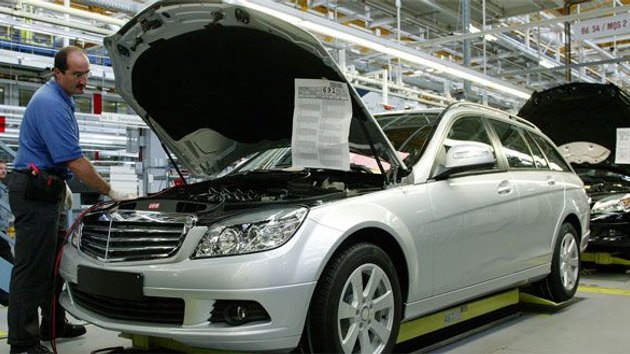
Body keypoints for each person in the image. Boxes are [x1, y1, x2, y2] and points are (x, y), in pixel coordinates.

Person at [7, 46, 130, 354]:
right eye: (77, 74)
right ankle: (23, 342)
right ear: (57, 72)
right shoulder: (50, 103)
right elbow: (74, 161)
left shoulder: (63, 99)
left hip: (49, 188)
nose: (83, 81)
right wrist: (111, 191)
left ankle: (53, 325)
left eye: (86, 74)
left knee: (54, 265)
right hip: (35, 191)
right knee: (32, 268)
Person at [0, 160, 13, 307]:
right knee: (8, 260)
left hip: (2, 229)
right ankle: (6, 296)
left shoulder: (4, 189)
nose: (3, 171)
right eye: (0, 169)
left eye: (5, 168)